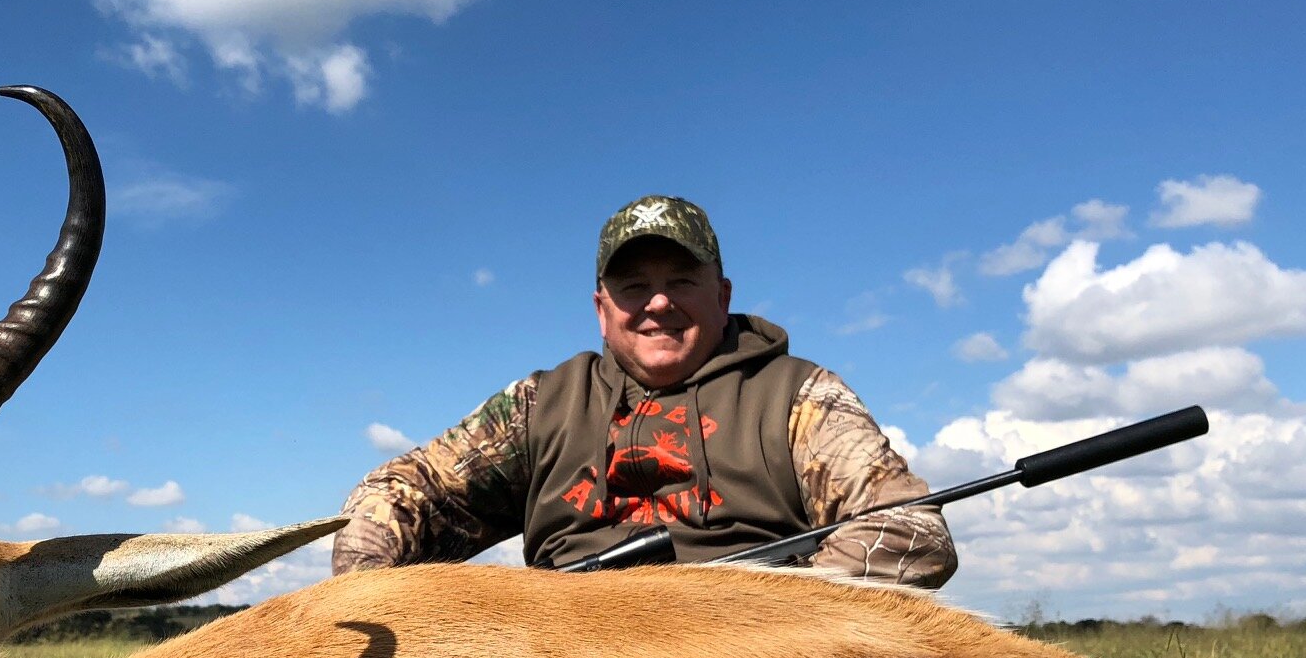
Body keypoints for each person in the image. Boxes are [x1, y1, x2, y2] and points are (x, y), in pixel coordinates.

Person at [332, 194, 957, 585]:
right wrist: (367, 596)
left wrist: (753, 614)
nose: (658, 303)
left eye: (682, 280)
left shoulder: (800, 396)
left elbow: (913, 536)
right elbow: (398, 492)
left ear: (723, 295)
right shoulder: (539, 404)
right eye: (633, 287)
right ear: (602, 309)